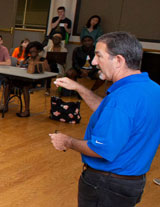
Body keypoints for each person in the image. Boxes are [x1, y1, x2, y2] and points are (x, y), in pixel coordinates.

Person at [50, 32, 160, 207]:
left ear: (118, 60)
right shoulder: (152, 89)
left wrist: (68, 141)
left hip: (106, 185)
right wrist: (80, 88)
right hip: (132, 183)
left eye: (99, 55)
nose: (93, 62)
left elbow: (102, 150)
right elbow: (110, 113)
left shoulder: (122, 99)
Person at [12, 41, 49, 117]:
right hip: (25, 79)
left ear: (38, 51)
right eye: (31, 51)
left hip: (36, 81)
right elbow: (21, 69)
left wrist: (38, 67)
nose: (32, 53)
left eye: (34, 51)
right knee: (8, 82)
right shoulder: (27, 59)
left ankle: (27, 110)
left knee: (25, 88)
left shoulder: (43, 60)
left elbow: (48, 73)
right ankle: (5, 106)